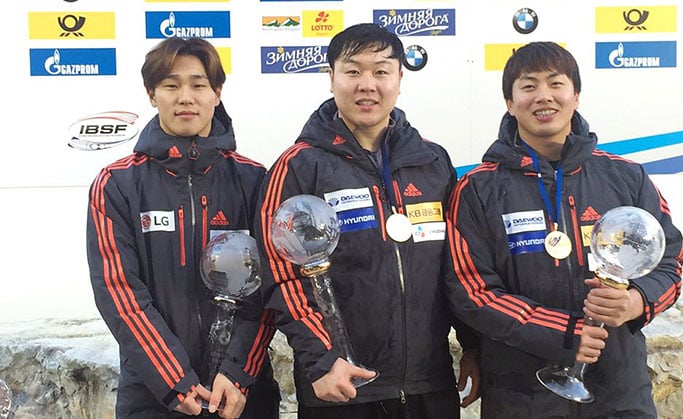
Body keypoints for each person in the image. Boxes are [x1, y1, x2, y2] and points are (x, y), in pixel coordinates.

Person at [443, 41, 683, 418]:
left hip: (619, 393)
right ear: (509, 102)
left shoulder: (626, 177)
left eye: (556, 84)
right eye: (528, 86)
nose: (544, 96)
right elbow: (471, 292)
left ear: (576, 96)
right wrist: (564, 332)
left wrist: (636, 302)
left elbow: (669, 263)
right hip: (521, 395)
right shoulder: (476, 188)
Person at [254, 23, 480, 419]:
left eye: (380, 71)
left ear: (399, 78)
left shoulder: (432, 162)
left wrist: (474, 347)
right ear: (331, 78)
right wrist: (323, 360)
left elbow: (459, 268)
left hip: (430, 385)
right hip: (341, 387)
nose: (367, 84)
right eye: (353, 71)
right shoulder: (299, 166)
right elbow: (280, 273)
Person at [86, 37, 279, 419]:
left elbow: (269, 285)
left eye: (198, 84)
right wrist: (174, 380)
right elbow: (120, 293)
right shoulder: (117, 183)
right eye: (171, 85)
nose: (185, 97)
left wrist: (238, 373)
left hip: (241, 396)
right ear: (151, 94)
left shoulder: (254, 180)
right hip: (154, 396)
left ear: (217, 93)